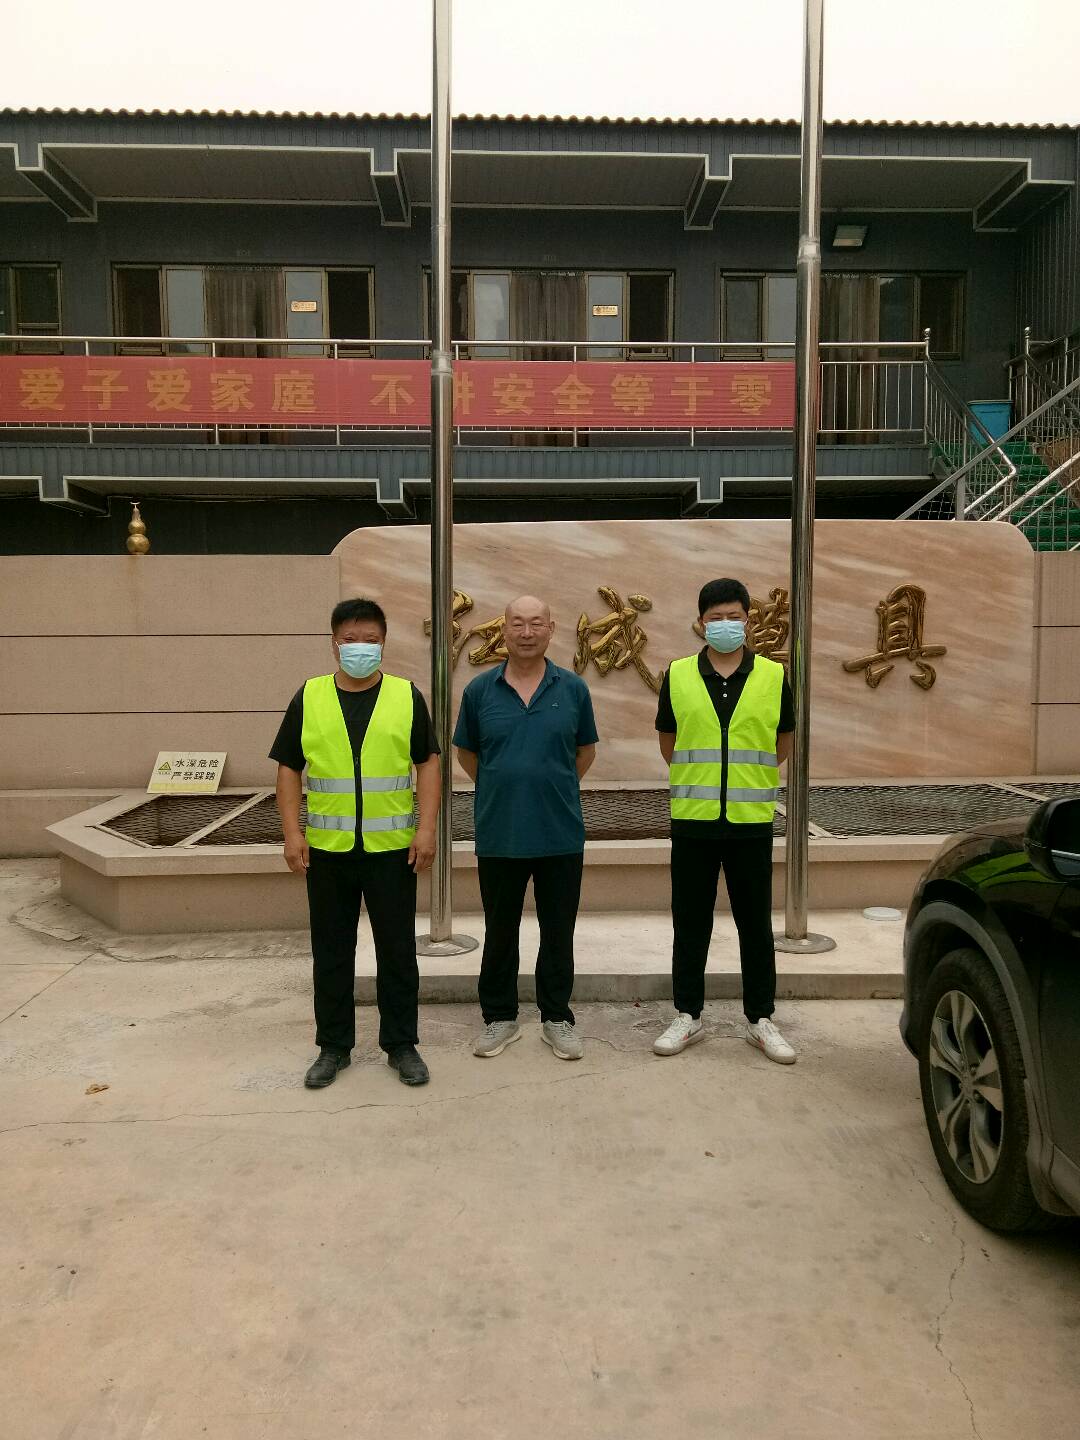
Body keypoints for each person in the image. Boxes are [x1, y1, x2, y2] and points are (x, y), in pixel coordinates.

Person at [270, 597, 441, 1089]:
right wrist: (292, 833)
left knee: (397, 952)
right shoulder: (310, 696)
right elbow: (288, 767)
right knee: (331, 952)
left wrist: (426, 829)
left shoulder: (406, 696)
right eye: (350, 639)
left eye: (370, 640)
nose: (360, 648)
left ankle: (401, 1044)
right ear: (333, 644)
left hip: (392, 850)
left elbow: (428, 763)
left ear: (384, 644)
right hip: (328, 850)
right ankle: (333, 1046)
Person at [653, 577, 798, 1064]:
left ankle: (760, 1018)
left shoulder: (773, 676)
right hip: (693, 819)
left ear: (748, 620)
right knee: (689, 923)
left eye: (734, 616)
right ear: (700, 623)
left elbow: (781, 742)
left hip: (749, 820)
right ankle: (687, 1015)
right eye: (715, 618)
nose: (725, 625)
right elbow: (669, 742)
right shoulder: (678, 674)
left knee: (754, 924)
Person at [453, 595, 598, 1062]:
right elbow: (468, 753)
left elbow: (584, 752)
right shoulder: (480, 691)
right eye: (518, 623)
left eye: (536, 623)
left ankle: (557, 1017)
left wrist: (550, 786)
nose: (527, 632)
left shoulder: (572, 688)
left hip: (560, 833)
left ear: (551, 629)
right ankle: (500, 1016)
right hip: (501, 832)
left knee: (558, 931)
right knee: (500, 930)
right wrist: (504, 786)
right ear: (504, 630)